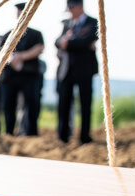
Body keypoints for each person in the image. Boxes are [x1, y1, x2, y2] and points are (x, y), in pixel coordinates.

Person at [0, 2, 44, 136]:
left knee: (32, 104)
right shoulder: (7, 35)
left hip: (29, 75)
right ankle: (9, 132)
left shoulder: (36, 34)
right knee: (8, 105)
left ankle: (31, 133)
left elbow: (39, 48)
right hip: (10, 76)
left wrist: (21, 56)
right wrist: (12, 59)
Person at [55, 0, 98, 144]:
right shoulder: (67, 23)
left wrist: (69, 42)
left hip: (84, 70)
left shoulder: (92, 22)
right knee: (63, 104)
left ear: (79, 7)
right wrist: (72, 42)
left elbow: (88, 40)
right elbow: (57, 42)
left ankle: (84, 137)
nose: (70, 12)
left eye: (72, 8)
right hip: (66, 70)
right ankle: (63, 136)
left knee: (85, 104)